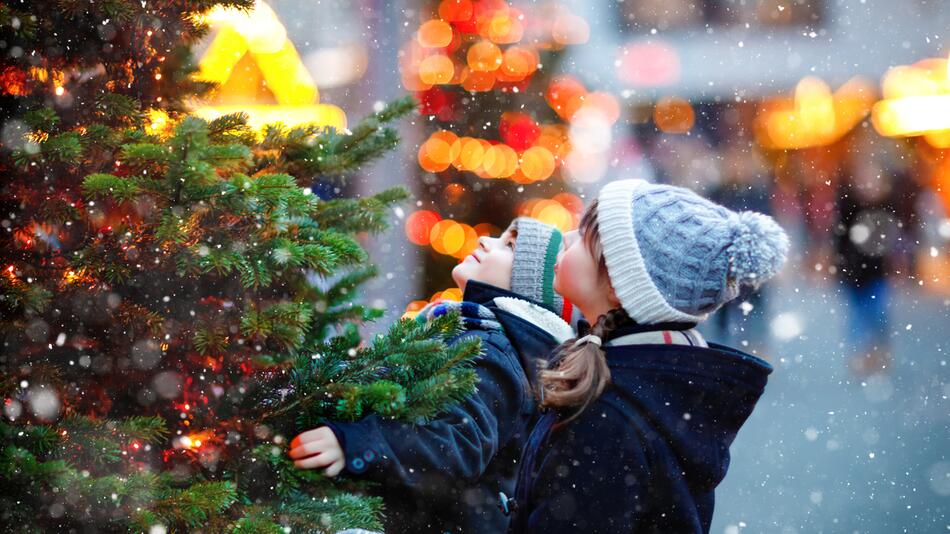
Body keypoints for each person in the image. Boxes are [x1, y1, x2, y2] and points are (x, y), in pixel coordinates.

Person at [508, 179, 789, 533]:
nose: (566, 239)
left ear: (616, 282)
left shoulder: (606, 418)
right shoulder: (660, 381)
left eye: (583, 238)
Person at [289, 218, 574, 533]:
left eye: (509, 245)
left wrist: (356, 444)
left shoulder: (491, 351)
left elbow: (454, 443)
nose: (485, 241)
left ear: (528, 288)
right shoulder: (480, 336)